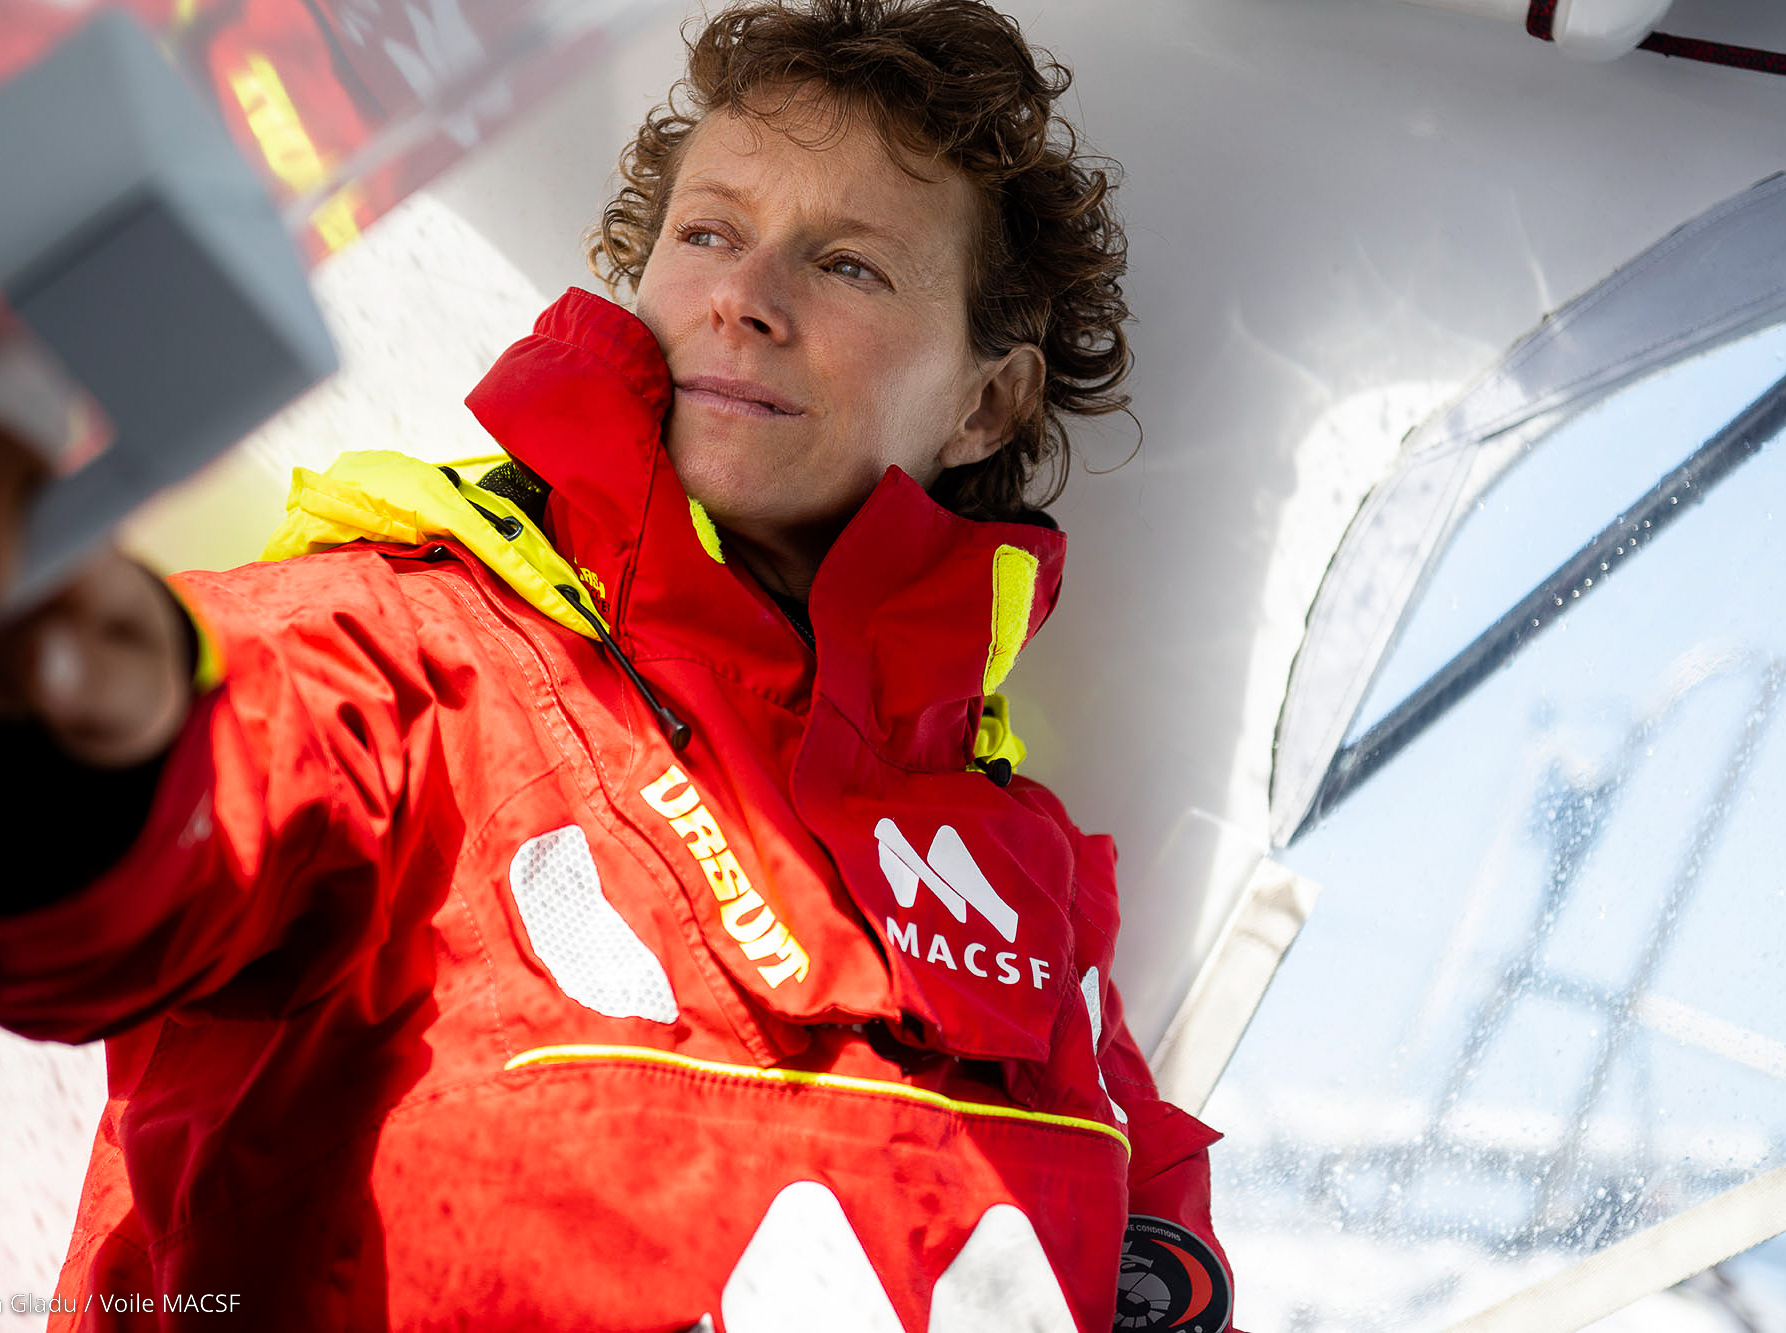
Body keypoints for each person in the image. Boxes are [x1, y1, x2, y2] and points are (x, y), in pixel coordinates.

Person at [0, 1, 1236, 1328]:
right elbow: (140, 878)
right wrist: (81, 716)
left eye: (848, 265)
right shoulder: (407, 660)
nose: (744, 298)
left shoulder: (1031, 874)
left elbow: (1151, 1251)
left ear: (988, 400)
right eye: (706, 233)